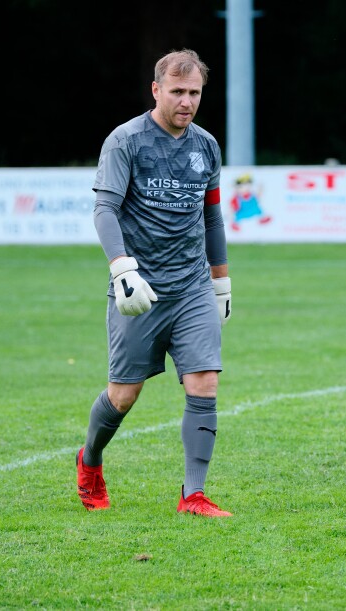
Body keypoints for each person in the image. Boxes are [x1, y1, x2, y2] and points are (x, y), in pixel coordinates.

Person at [77, 49, 233, 517]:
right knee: (123, 395)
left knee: (204, 382)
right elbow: (104, 209)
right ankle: (91, 459)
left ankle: (194, 496)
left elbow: (212, 217)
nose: (186, 102)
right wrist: (122, 267)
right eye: (178, 92)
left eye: (195, 93)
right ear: (156, 91)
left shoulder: (206, 146)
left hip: (191, 287)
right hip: (138, 290)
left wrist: (220, 282)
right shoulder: (125, 141)